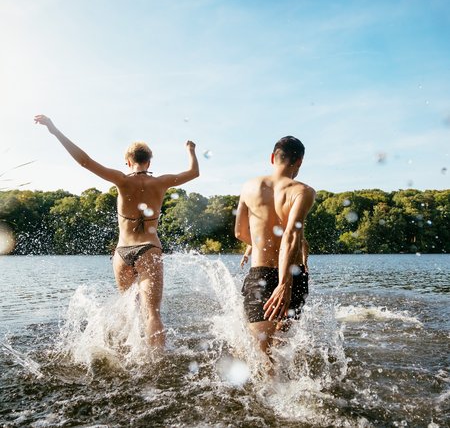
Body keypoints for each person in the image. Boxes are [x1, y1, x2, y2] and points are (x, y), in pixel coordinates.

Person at [34, 115, 199, 349]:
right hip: (149, 249)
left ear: (127, 161)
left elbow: (84, 161)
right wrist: (190, 150)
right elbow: (194, 172)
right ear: (149, 162)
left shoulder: (121, 180)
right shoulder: (161, 182)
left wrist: (54, 130)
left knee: (128, 308)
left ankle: (124, 356)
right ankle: (156, 365)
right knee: (152, 313)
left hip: (122, 253)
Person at [234, 136, 315, 358]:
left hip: (260, 273)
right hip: (292, 275)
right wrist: (284, 284)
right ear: (299, 162)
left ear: (272, 157)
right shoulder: (302, 191)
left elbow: (239, 232)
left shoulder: (249, 187)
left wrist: (259, 246)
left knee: (260, 353)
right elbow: (291, 234)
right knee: (280, 344)